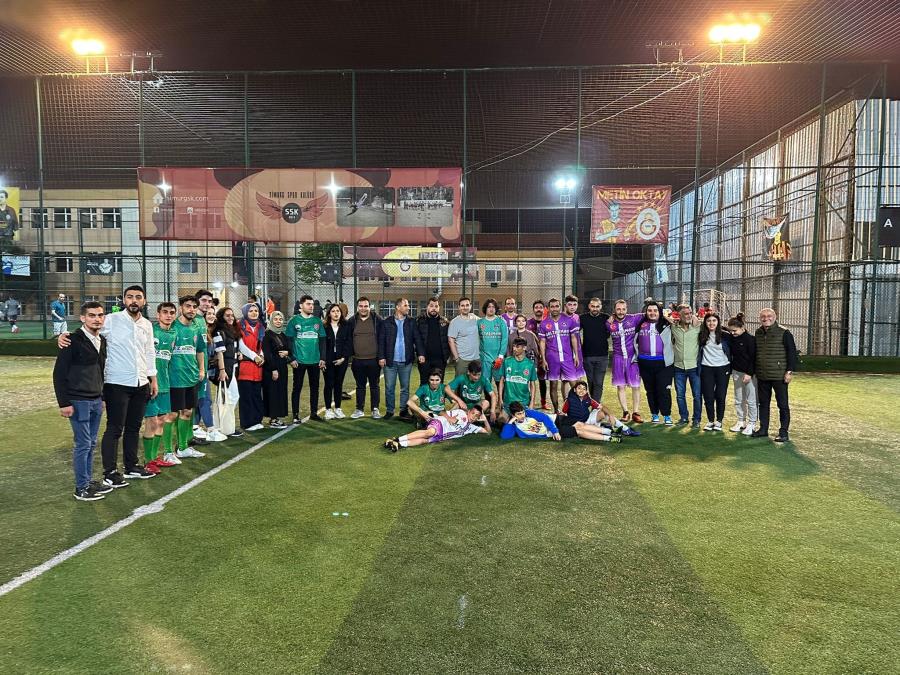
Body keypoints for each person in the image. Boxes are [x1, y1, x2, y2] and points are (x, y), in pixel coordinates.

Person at [58, 285, 159, 486]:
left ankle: (131, 466)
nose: (134, 300)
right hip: (116, 383)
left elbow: (149, 352)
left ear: (144, 301)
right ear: (124, 300)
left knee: (134, 427)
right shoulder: (111, 320)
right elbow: (86, 331)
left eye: (138, 297)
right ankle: (110, 472)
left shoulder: (147, 324)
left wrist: (152, 378)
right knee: (114, 428)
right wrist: (64, 336)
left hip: (141, 382)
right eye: (130, 297)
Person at [53, 301, 113, 501]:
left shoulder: (102, 340)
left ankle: (88, 481)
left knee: (91, 443)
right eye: (92, 315)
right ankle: (81, 488)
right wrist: (64, 403)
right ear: (82, 318)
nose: (97, 319)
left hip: (96, 399)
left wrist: (102, 397)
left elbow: (101, 371)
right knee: (83, 444)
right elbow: (59, 374)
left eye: (100, 315)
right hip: (78, 401)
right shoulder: (71, 340)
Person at [140, 302, 179, 474]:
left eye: (171, 313)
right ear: (158, 314)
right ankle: (148, 461)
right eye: (165, 312)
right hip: (150, 384)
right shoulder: (151, 331)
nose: (168, 315)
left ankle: (155, 457)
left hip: (165, 384)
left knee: (162, 420)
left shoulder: (173, 334)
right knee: (152, 421)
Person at [166, 296, 207, 459]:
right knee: (171, 415)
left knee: (188, 412)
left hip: (191, 377)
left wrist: (201, 370)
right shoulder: (172, 326)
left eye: (194, 306)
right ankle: (168, 452)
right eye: (188, 306)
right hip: (174, 378)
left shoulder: (197, 327)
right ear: (181, 308)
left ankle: (183, 448)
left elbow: (200, 350)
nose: (191, 309)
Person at [753, 308, 798, 442]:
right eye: (763, 316)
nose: (766, 318)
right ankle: (763, 429)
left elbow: (792, 353)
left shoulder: (784, 332)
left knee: (782, 405)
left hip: (779, 376)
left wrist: (789, 371)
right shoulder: (758, 332)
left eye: (769, 316)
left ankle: (783, 432)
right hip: (762, 375)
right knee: (763, 404)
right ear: (760, 318)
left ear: (775, 317)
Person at [380, 297, 423, 421]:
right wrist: (381, 356)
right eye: (405, 305)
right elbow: (381, 341)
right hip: (390, 361)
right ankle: (390, 411)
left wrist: (421, 353)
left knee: (405, 388)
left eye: (408, 305)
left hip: (406, 361)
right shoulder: (387, 322)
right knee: (389, 387)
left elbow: (417, 339)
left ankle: (403, 411)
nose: (408, 307)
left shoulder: (411, 322)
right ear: (398, 307)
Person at [285, 294, 326, 423]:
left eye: (312, 304)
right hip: (299, 361)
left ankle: (314, 413)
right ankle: (295, 415)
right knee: (297, 388)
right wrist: (291, 358)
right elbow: (288, 341)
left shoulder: (317, 321)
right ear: (301, 305)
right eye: (308, 304)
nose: (311, 306)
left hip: (315, 360)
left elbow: (322, 341)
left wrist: (322, 358)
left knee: (315, 388)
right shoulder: (294, 321)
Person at [633, 300, 674, 424]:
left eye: (655, 310)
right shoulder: (641, 324)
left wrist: (668, 318)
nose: (652, 313)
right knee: (650, 391)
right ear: (646, 312)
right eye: (649, 310)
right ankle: (654, 414)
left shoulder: (667, 324)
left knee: (663, 390)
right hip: (645, 363)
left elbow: (684, 321)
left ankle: (666, 415)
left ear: (659, 312)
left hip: (663, 364)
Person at [537, 298, 580, 413]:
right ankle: (556, 411)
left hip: (567, 358)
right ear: (548, 308)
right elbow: (542, 342)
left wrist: (576, 355)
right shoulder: (544, 323)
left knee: (574, 384)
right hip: (552, 359)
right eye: (552, 306)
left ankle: (577, 409)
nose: (555, 308)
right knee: (553, 385)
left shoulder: (569, 320)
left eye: (557, 306)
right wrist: (543, 359)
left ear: (560, 307)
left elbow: (573, 338)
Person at [383, 405, 486, 452]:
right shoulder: (461, 413)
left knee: (424, 441)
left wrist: (485, 420)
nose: (473, 416)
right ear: (469, 411)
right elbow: (443, 412)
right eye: (473, 413)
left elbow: (487, 431)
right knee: (430, 432)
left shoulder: (471, 427)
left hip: (441, 436)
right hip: (440, 423)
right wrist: (449, 418)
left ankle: (398, 444)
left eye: (476, 416)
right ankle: (397, 439)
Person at [347, 297, 383, 419]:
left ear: (369, 307)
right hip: (357, 360)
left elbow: (382, 338)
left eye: (366, 306)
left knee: (374, 385)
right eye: (361, 306)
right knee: (360, 386)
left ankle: (375, 409)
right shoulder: (352, 321)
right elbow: (348, 339)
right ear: (358, 307)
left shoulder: (377, 319)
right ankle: (359, 409)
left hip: (374, 360)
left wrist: (381, 356)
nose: (363, 308)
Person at [607, 300, 643, 423]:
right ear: (614, 310)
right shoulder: (609, 323)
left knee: (636, 386)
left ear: (627, 309)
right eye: (618, 309)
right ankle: (625, 412)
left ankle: (636, 412)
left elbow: (651, 313)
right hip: (618, 358)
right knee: (621, 386)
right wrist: (609, 320)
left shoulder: (634, 318)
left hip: (633, 358)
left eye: (623, 309)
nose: (621, 311)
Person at [561, 381, 640, 437]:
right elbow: (563, 414)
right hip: (578, 424)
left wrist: (611, 415)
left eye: (584, 389)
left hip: (588, 420)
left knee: (603, 412)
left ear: (586, 391)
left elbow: (602, 407)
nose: (581, 391)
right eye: (579, 388)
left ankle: (626, 429)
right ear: (574, 390)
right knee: (589, 432)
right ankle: (608, 429)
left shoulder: (588, 399)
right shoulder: (569, 401)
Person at [210, 306, 242, 439]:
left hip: (231, 367)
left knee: (229, 397)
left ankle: (223, 426)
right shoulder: (219, 331)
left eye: (232, 315)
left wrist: (237, 353)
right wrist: (222, 370)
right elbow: (219, 353)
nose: (230, 317)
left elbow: (231, 348)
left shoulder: (231, 330)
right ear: (221, 317)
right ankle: (225, 428)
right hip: (225, 369)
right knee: (226, 398)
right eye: (227, 315)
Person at [698, 313, 732, 431]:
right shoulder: (701, 335)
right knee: (708, 396)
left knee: (720, 395)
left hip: (723, 368)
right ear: (705, 323)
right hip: (706, 368)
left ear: (718, 322)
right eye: (708, 321)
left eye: (714, 320)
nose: (711, 323)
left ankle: (719, 421)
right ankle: (710, 420)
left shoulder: (725, 335)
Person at [671, 303, 702, 427]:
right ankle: (684, 418)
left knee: (697, 395)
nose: (689, 316)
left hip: (694, 367)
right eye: (685, 314)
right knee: (680, 395)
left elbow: (711, 322)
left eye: (690, 313)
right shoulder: (673, 327)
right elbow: (662, 316)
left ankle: (697, 420)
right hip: (678, 367)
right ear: (679, 315)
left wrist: (696, 318)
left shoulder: (698, 327)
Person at [727, 313, 757, 435]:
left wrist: (749, 373)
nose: (732, 333)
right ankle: (741, 421)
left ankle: (752, 423)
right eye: (730, 331)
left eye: (734, 330)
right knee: (739, 398)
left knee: (751, 399)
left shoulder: (750, 339)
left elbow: (753, 358)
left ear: (742, 328)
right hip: (736, 372)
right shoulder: (732, 338)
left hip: (749, 374)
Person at [191, 290, 216, 442]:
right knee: (204, 399)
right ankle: (211, 429)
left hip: (202, 367)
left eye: (209, 301)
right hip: (193, 369)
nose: (207, 304)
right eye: (204, 300)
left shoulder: (201, 321)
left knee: (200, 400)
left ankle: (195, 428)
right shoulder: (193, 319)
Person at [261, 310, 291, 427]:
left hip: (282, 367)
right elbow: (267, 354)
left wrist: (287, 353)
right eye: (275, 319)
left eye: (280, 319)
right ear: (271, 320)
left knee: (280, 392)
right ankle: (273, 419)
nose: (278, 321)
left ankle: (277, 417)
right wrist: (273, 369)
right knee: (273, 393)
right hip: (272, 368)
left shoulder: (282, 335)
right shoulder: (267, 335)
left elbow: (289, 349)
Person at [579, 297, 611, 404]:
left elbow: (611, 331)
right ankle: (594, 403)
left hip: (602, 356)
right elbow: (574, 331)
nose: (595, 309)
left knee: (598, 383)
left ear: (601, 307)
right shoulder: (583, 318)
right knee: (591, 382)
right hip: (587, 356)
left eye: (597, 306)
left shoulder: (606, 318)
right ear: (589, 306)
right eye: (593, 306)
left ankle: (595, 405)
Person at [498, 338, 537, 422]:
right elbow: (501, 381)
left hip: (523, 403)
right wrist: (500, 399)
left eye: (517, 347)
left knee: (524, 423)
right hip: (508, 402)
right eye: (513, 346)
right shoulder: (507, 361)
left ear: (524, 348)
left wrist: (532, 403)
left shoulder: (530, 364)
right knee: (501, 421)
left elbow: (533, 385)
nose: (514, 349)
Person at [323, 303, 351, 419]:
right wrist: (323, 359)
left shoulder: (346, 325)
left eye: (338, 311)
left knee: (339, 384)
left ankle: (338, 408)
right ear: (329, 313)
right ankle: (328, 410)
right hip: (328, 359)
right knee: (329, 384)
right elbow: (321, 344)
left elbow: (349, 342)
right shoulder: (324, 326)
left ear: (341, 313)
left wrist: (343, 358)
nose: (336, 313)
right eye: (333, 311)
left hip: (342, 359)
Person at [415, 297, 451, 383]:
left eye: (436, 306)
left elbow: (449, 339)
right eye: (431, 306)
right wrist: (419, 354)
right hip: (424, 359)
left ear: (439, 307)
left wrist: (448, 356)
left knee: (439, 384)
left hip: (440, 360)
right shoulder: (419, 321)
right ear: (427, 307)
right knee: (424, 384)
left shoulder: (445, 322)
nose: (434, 308)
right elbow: (416, 340)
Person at [477, 298, 509, 385]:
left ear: (496, 309)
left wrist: (501, 356)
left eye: (493, 307)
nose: (491, 309)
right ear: (485, 308)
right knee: (486, 383)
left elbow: (504, 339)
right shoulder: (479, 322)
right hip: (485, 358)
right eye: (489, 307)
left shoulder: (501, 321)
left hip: (498, 358)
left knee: (500, 382)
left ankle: (500, 395)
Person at [448, 297, 480, 379]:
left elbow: (487, 321)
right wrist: (456, 357)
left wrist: (497, 318)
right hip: (462, 359)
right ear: (459, 307)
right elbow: (451, 340)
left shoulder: (475, 319)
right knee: (460, 382)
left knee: (475, 382)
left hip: (476, 359)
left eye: (467, 305)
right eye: (462, 305)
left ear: (470, 306)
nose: (465, 307)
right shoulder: (454, 322)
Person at [526, 300, 549, 409]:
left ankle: (543, 402)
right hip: (530, 355)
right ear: (533, 309)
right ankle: (528, 401)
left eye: (540, 307)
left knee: (542, 380)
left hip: (544, 355)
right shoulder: (528, 322)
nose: (538, 309)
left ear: (544, 309)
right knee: (527, 379)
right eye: (536, 307)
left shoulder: (548, 322)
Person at [562, 295, 587, 394]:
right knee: (565, 380)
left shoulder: (577, 317)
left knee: (578, 377)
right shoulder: (560, 317)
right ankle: (566, 400)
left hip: (577, 352)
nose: (572, 307)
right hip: (565, 352)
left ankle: (578, 399)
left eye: (574, 304)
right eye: (570, 304)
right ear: (565, 305)